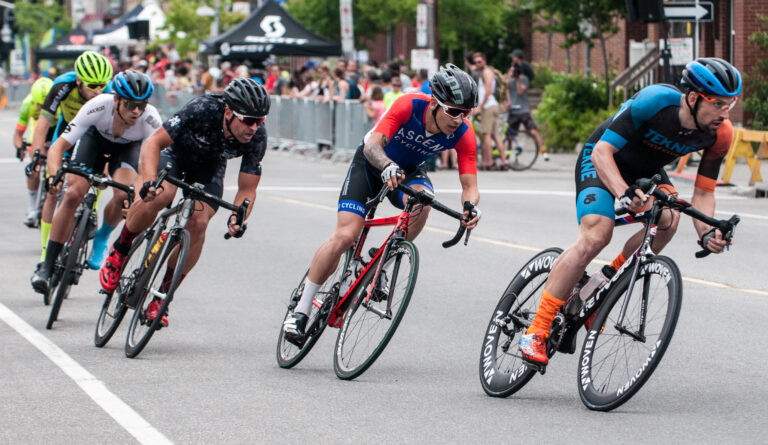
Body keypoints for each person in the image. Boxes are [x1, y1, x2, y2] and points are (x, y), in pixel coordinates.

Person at [517, 58, 741, 366]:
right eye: (718, 104)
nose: (724, 113)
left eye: (731, 104)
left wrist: (708, 235)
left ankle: (606, 280)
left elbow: (703, 193)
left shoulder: (721, 134)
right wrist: (623, 194)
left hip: (645, 172)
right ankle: (536, 329)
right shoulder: (655, 101)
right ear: (693, 97)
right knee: (597, 234)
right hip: (601, 161)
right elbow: (602, 152)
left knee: (669, 219)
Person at [282, 63, 483, 345]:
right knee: (345, 235)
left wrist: (470, 208)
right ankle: (301, 309)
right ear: (435, 102)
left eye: (466, 113)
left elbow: (470, 186)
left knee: (422, 204)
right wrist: (387, 165)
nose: (459, 119)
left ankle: (381, 263)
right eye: (453, 111)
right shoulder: (409, 105)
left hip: (409, 171)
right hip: (371, 163)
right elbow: (373, 145)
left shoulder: (463, 133)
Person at [98, 78, 270, 327]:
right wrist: (148, 182)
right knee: (161, 196)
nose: (254, 127)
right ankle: (120, 250)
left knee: (199, 222)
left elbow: (247, 188)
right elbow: (153, 143)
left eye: (260, 120)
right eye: (248, 120)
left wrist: (239, 217)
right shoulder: (202, 109)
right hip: (176, 155)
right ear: (229, 112)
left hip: (209, 168)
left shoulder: (257, 137)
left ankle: (163, 296)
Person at [30, 71, 161, 297]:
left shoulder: (150, 119)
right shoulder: (98, 106)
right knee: (72, 194)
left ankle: (101, 237)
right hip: (94, 141)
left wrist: (139, 196)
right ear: (116, 99)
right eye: (130, 104)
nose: (136, 111)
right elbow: (57, 147)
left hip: (127, 150)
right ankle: (47, 266)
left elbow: (147, 167)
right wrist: (53, 176)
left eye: (141, 105)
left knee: (123, 195)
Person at [30, 50, 114, 262]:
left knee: (98, 178)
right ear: (79, 80)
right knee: (53, 189)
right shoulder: (62, 85)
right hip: (68, 132)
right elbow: (43, 124)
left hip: (95, 136)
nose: (98, 91)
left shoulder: (110, 91)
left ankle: (91, 209)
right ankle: (44, 251)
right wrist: (36, 155)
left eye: (101, 85)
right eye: (92, 85)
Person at [13, 77, 54, 227]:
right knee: (34, 167)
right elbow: (18, 134)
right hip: (39, 130)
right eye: (39, 105)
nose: (43, 108)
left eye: (46, 105)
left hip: (56, 130)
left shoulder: (60, 102)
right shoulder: (27, 105)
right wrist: (21, 147)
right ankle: (32, 209)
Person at [507, 51, 549, 162]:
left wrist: (517, 79)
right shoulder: (509, 80)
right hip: (513, 111)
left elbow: (521, 91)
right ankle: (506, 158)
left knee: (533, 131)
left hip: (523, 110)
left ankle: (544, 152)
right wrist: (509, 76)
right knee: (510, 136)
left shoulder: (523, 79)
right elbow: (506, 90)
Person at [471, 52, 506, 170]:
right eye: (475, 62)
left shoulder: (486, 72)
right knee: (496, 135)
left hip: (488, 107)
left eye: (479, 62)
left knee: (486, 135)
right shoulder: (485, 72)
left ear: (484, 61)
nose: (477, 64)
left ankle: (489, 162)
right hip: (493, 105)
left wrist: (480, 106)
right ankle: (503, 161)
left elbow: (488, 90)